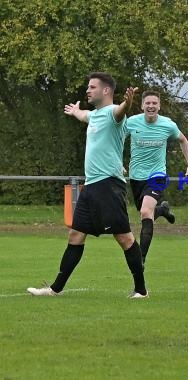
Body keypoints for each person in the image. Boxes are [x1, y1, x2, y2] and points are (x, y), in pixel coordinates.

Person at [26, 72, 148, 299]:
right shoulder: (94, 115)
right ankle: (55, 289)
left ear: (106, 91)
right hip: (92, 186)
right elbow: (84, 116)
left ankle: (141, 290)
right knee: (75, 234)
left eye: (92, 87)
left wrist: (128, 102)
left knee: (125, 238)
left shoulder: (112, 113)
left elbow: (121, 111)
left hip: (109, 186)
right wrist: (75, 112)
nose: (88, 90)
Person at [125, 90, 188, 264]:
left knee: (145, 211)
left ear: (159, 106)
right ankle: (162, 210)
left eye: (154, 103)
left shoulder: (168, 125)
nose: (151, 106)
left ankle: (140, 259)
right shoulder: (131, 123)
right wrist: (117, 162)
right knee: (145, 213)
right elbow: (117, 140)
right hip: (136, 177)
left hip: (157, 175)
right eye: (147, 103)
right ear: (142, 106)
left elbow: (183, 140)